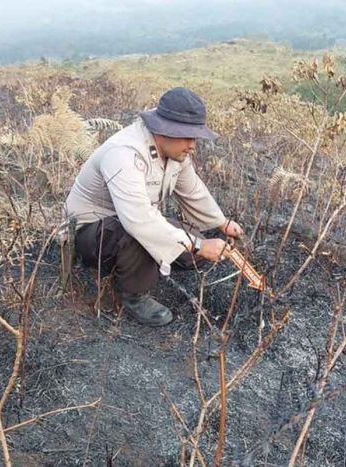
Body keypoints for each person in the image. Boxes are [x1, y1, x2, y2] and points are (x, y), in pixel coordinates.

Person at [64, 87, 244, 326]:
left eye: (195, 137)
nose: (193, 145)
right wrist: (199, 245)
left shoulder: (175, 152)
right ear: (164, 130)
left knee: (194, 256)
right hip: (89, 232)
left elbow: (192, 190)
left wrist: (221, 224)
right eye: (187, 137)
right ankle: (134, 296)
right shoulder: (124, 154)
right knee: (139, 234)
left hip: (127, 220)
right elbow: (139, 220)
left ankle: (139, 263)